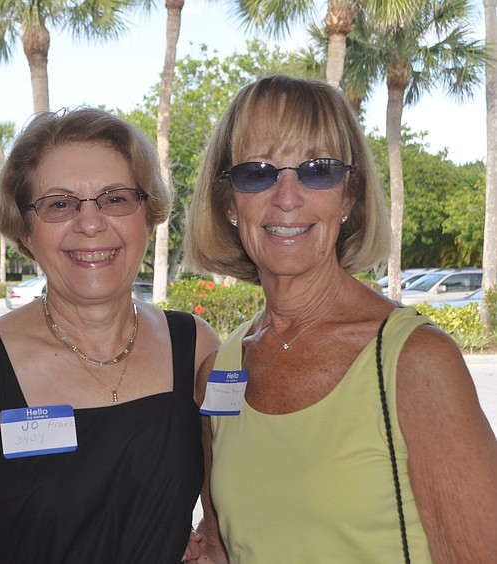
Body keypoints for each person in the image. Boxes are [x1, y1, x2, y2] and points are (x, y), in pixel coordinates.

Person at [185, 75, 497, 562]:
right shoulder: (218, 374)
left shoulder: (415, 363)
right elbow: (224, 545)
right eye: (258, 172)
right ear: (228, 201)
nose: (287, 196)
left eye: (318, 169)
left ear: (349, 196)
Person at [0, 107, 219, 563]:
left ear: (148, 217)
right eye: (60, 204)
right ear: (26, 231)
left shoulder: (196, 347)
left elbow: (227, 505)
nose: (90, 223)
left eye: (115, 199)